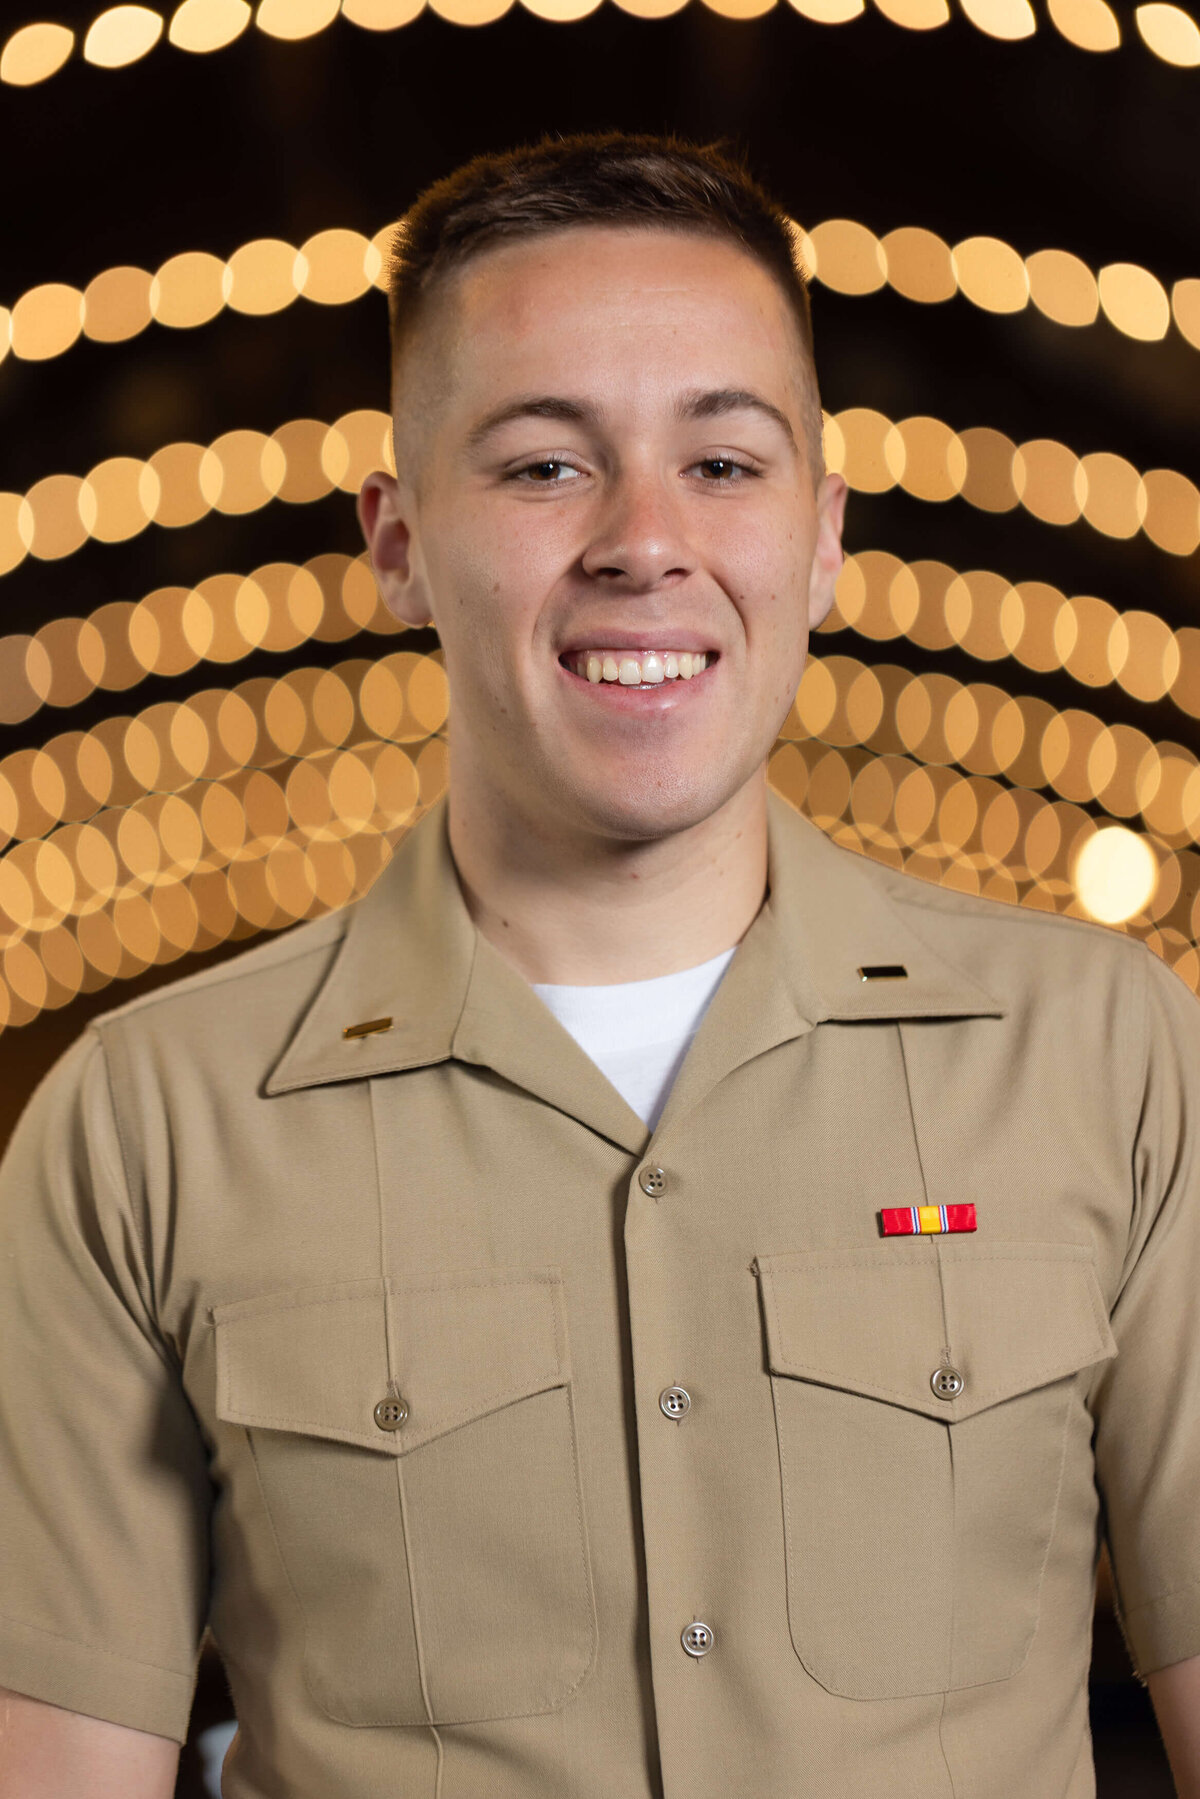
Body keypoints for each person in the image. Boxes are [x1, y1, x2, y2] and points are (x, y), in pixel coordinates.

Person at [0, 131, 1198, 1799]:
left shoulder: (1114, 1059)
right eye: (545, 466)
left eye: (722, 463)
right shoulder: (141, 1132)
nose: (647, 540)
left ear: (824, 532)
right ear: (400, 541)